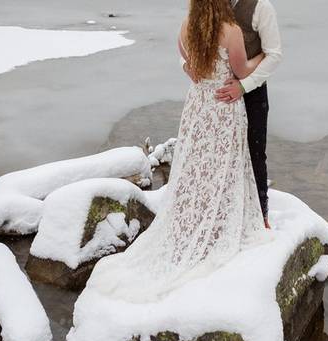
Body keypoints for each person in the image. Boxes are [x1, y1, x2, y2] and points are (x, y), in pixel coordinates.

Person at [90, 0, 269, 302]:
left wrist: (192, 68)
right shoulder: (231, 30)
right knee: (224, 165)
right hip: (223, 109)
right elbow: (242, 70)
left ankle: (197, 218)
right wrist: (262, 55)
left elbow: (185, 57)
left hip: (198, 107)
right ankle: (217, 224)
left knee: (197, 166)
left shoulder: (188, 27)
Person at [213, 0, 282, 224]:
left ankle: (260, 215)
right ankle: (221, 212)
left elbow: (274, 55)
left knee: (254, 152)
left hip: (252, 94)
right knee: (218, 153)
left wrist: (244, 86)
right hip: (216, 96)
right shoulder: (207, 5)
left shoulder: (261, 7)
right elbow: (188, 40)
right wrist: (185, 66)